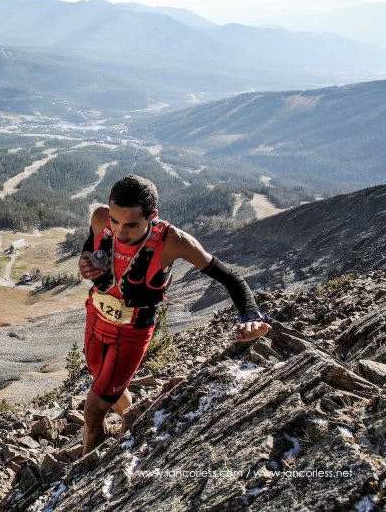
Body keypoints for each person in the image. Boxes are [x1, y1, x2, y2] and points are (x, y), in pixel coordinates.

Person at [78, 174, 270, 455]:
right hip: (95, 319)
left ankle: (82, 480)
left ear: (151, 216)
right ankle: (132, 421)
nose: (120, 232)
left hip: (130, 334)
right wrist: (85, 262)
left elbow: (231, 278)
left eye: (132, 225)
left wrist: (251, 316)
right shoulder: (100, 218)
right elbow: (89, 248)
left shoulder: (172, 241)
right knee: (103, 381)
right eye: (115, 221)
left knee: (93, 411)